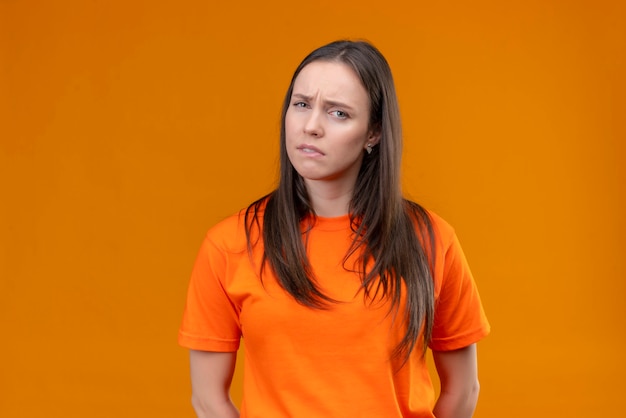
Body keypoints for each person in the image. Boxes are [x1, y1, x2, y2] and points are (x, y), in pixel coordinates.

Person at [178, 40, 490, 418]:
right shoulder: (229, 244)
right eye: (302, 104)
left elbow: (462, 389)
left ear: (373, 133)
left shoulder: (431, 240)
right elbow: (208, 401)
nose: (311, 126)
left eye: (338, 113)